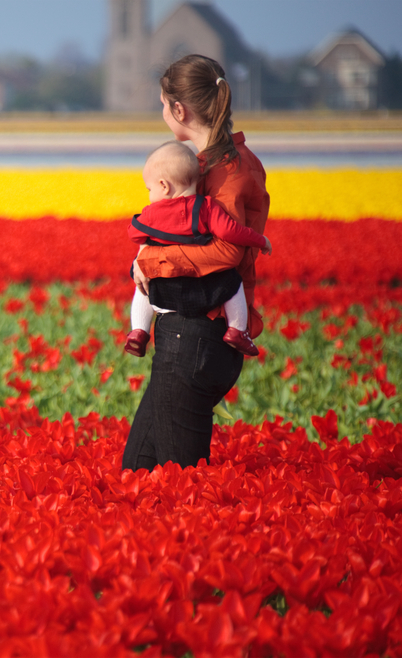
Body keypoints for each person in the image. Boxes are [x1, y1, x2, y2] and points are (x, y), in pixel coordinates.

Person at [121, 54, 270, 471]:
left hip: (198, 335)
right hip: (189, 335)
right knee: (138, 473)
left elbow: (227, 253)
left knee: (178, 482)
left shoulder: (227, 172)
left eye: (162, 105)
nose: (162, 113)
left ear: (179, 110)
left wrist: (150, 261)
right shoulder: (210, 167)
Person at [125, 140, 272, 359]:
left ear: (164, 186)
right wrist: (260, 240)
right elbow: (232, 232)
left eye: (149, 188)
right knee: (233, 282)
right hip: (203, 290)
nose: (149, 194)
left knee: (143, 282)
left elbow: (133, 233)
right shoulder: (207, 207)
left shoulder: (150, 213)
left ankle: (139, 330)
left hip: (164, 293)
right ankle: (237, 330)